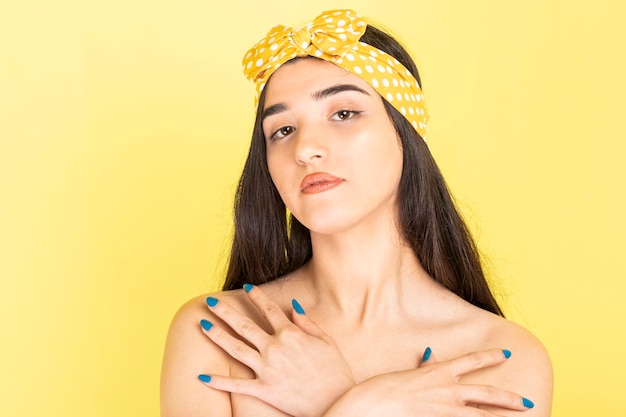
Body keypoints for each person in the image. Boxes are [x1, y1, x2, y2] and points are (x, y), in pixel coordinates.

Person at [160, 9, 553, 417]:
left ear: (405, 133)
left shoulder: (503, 360)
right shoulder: (220, 333)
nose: (306, 149)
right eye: (282, 130)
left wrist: (339, 398)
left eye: (343, 114)